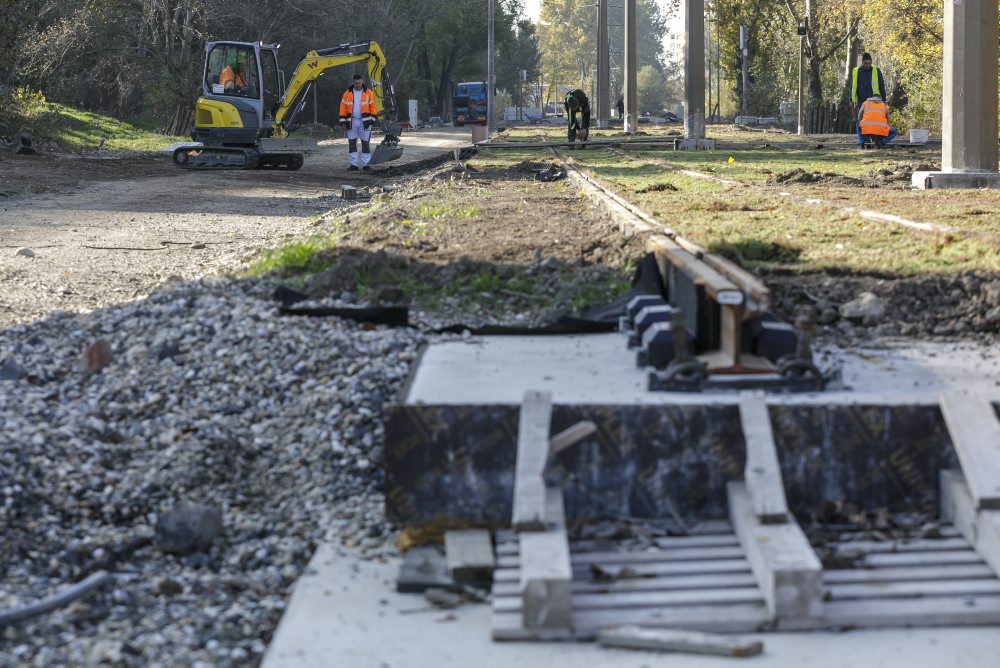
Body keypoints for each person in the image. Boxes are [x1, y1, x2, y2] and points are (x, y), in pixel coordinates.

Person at [339, 74, 377, 171]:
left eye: (360, 83)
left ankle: (366, 165)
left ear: (362, 82)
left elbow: (373, 107)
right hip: (351, 121)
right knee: (352, 143)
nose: (358, 85)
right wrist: (343, 122)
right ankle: (353, 165)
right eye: (356, 83)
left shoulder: (369, 93)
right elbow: (342, 108)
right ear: (353, 82)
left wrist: (372, 121)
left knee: (365, 143)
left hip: (365, 121)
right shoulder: (347, 93)